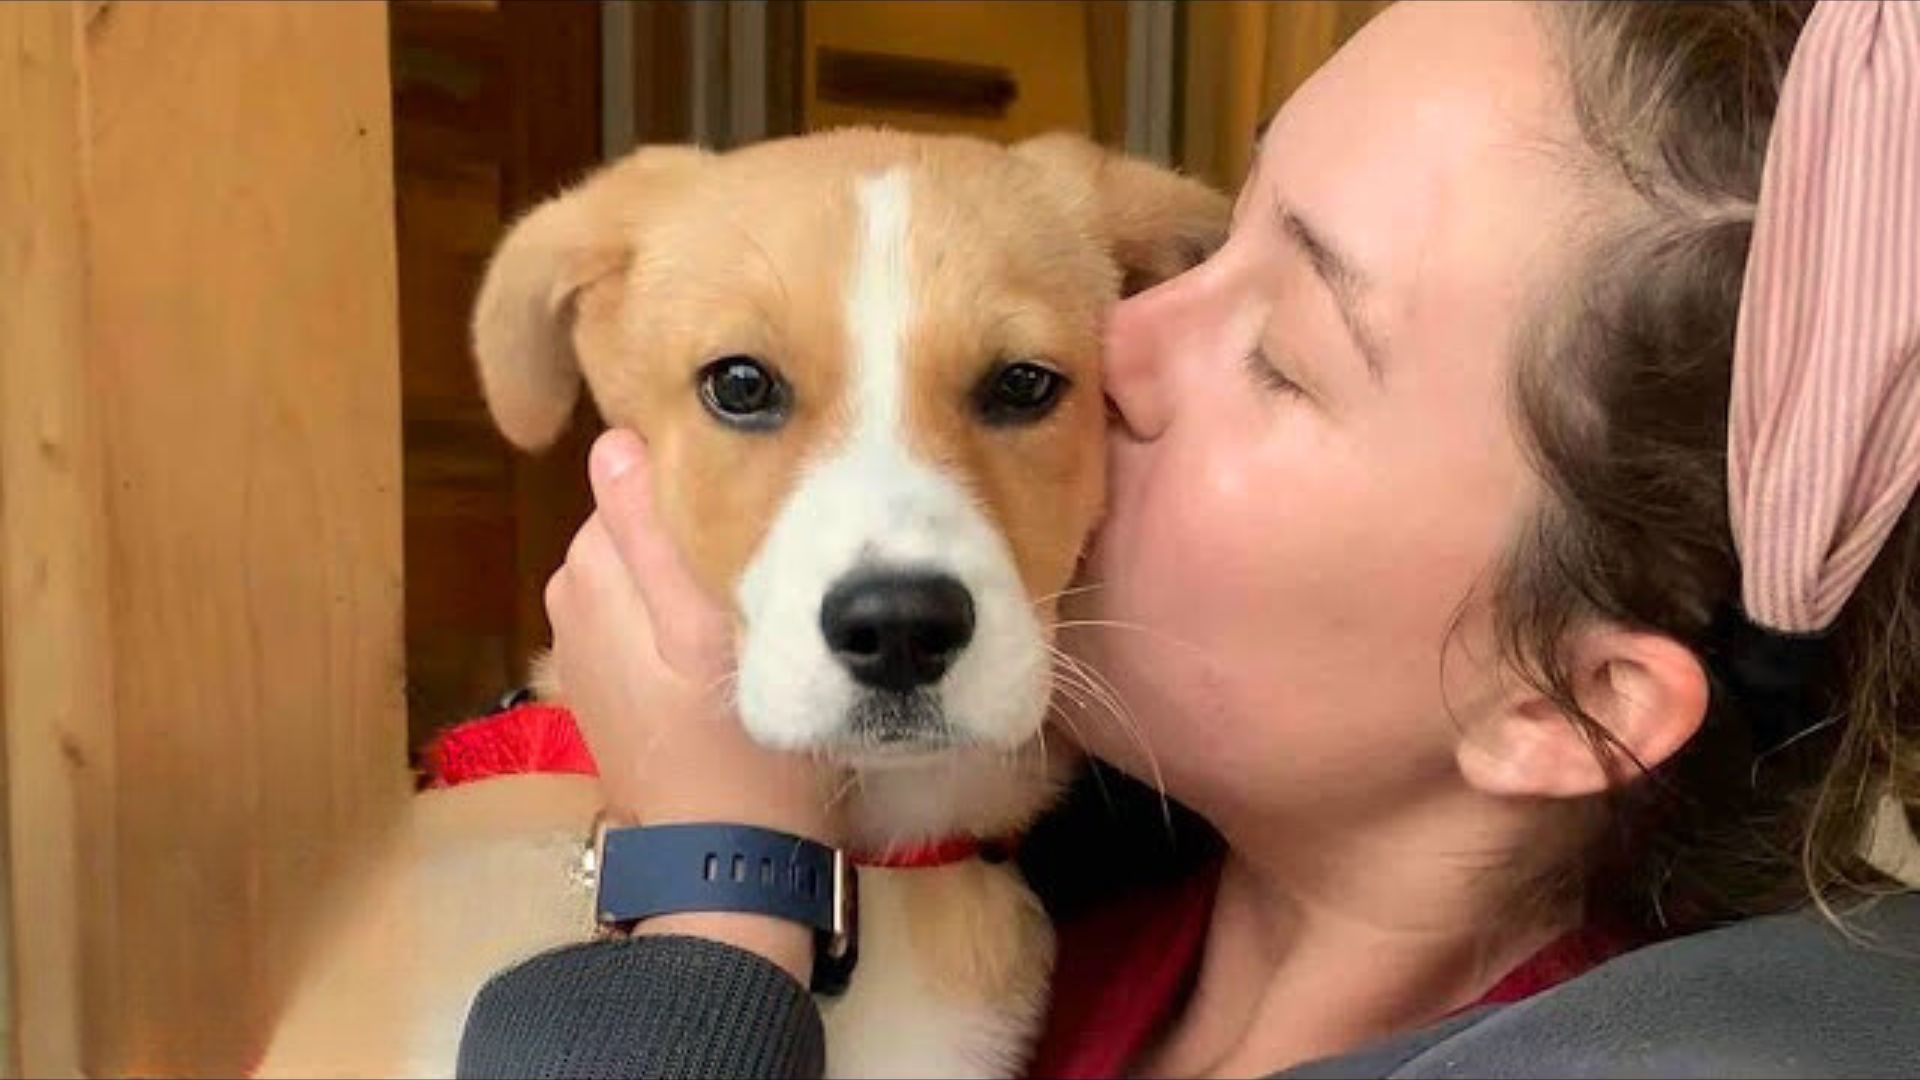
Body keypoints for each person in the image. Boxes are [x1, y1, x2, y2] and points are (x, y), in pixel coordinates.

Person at [457, 2, 1920, 1076]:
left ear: (1562, 703)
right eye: (1221, 240)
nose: (1119, 339)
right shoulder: (1060, 900)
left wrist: (720, 903)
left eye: (1281, 350)